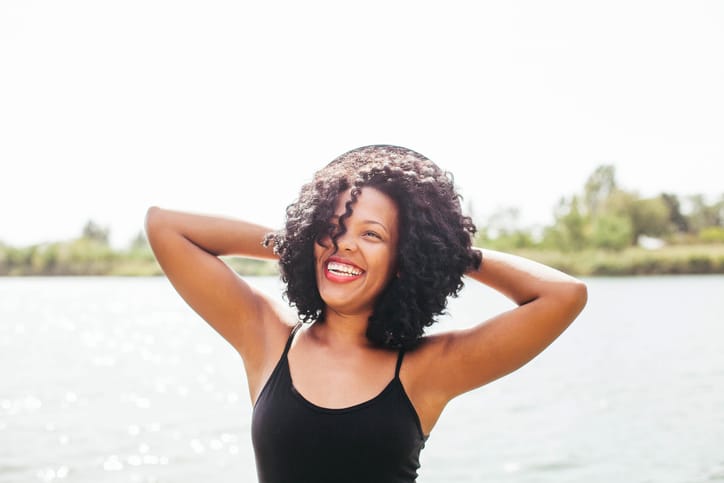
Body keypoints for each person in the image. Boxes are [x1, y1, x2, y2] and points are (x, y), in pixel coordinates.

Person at [144, 145, 587, 483]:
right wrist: (300, 239)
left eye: (371, 234)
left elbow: (563, 295)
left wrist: (446, 253)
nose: (344, 243)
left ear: (404, 260)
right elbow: (165, 226)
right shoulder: (267, 338)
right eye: (333, 227)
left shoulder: (428, 369)